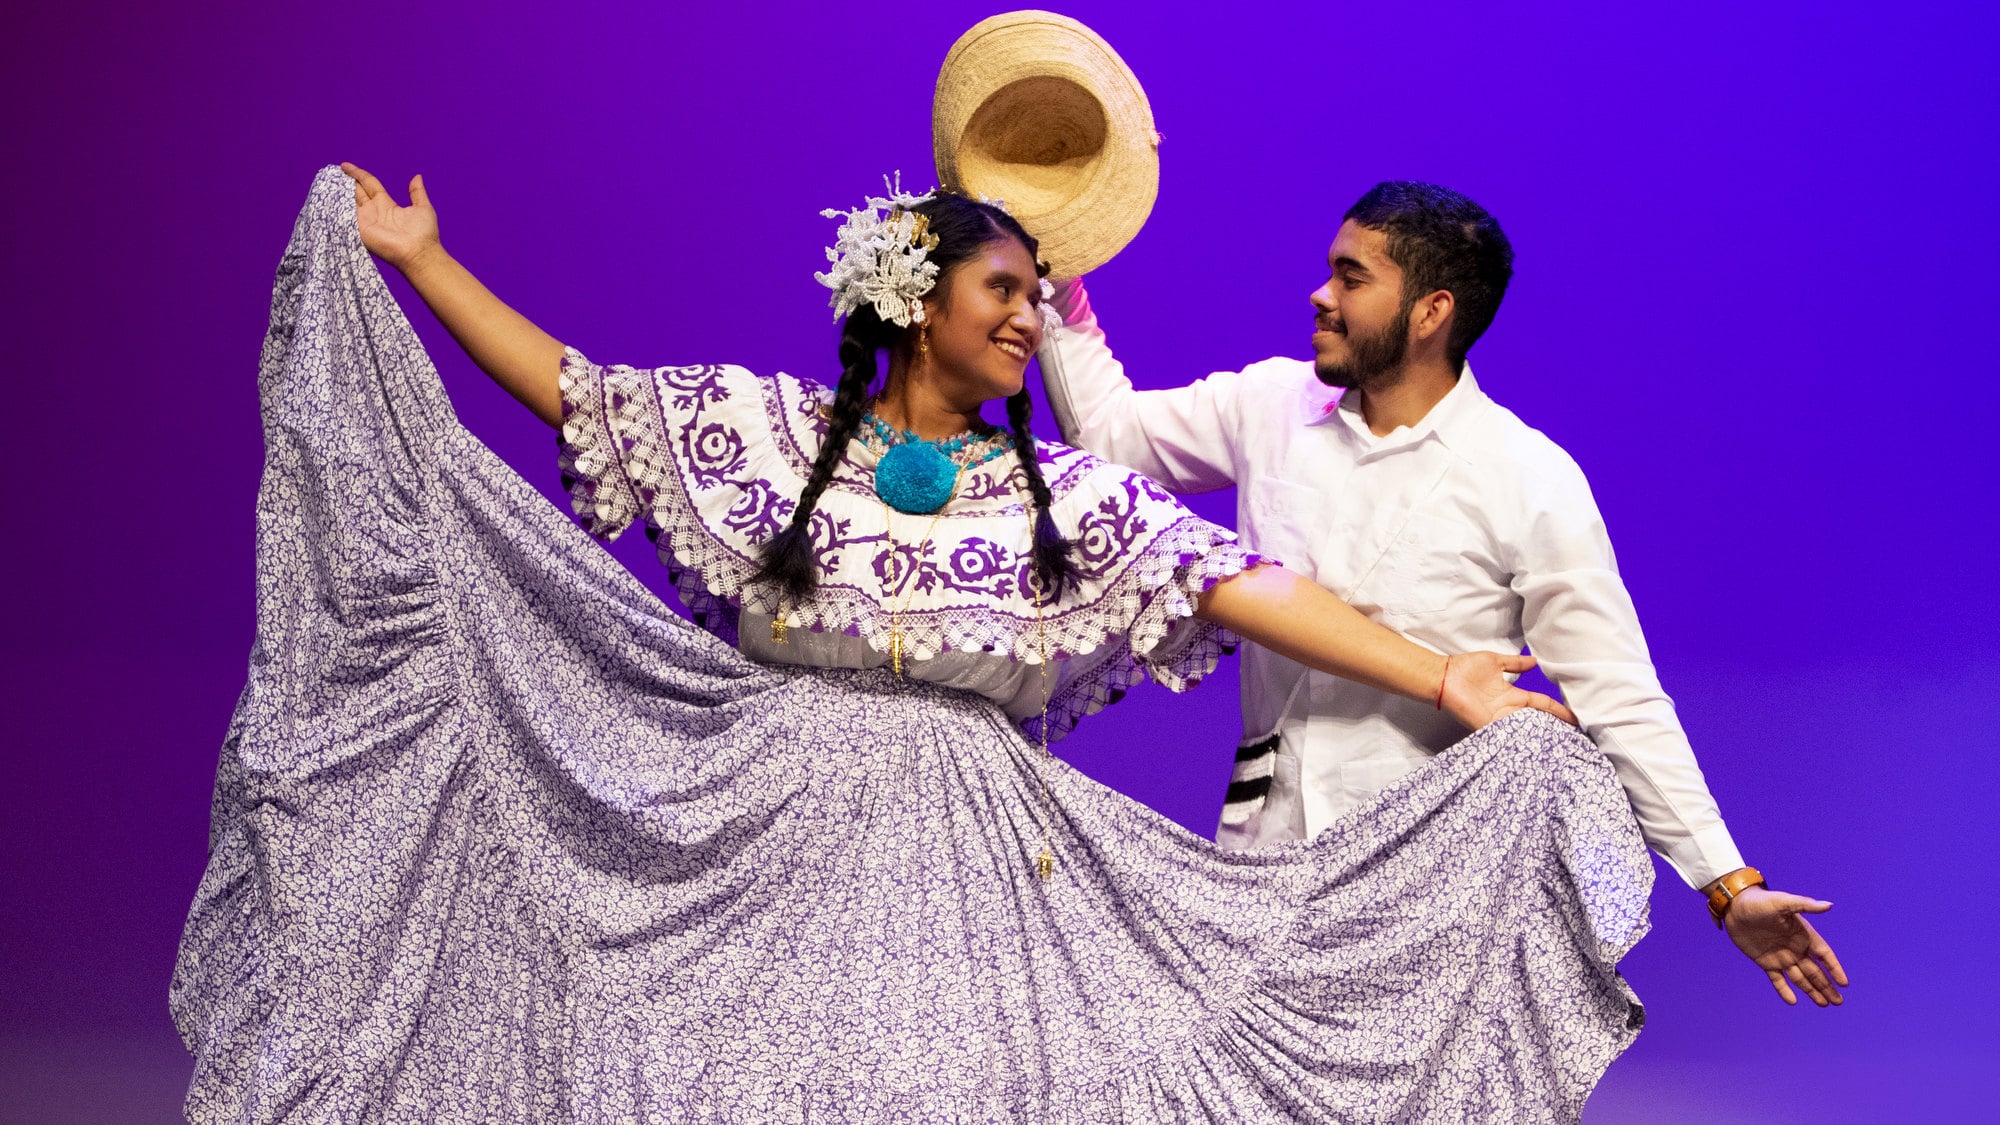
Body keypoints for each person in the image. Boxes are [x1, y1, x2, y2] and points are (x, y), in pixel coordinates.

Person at [172, 165, 1651, 1123]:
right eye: (1003, 292)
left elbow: (1242, 587)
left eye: (1029, 297)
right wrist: (426, 266)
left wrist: (1440, 673)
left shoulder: (1050, 497)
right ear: (910, 302)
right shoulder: (767, 436)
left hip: (968, 863)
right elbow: (577, 391)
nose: (1026, 319)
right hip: (761, 836)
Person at [1039, 179, 1848, 1010]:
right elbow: (1108, 440)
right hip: (1262, 853)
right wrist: (1051, 271)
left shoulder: (1529, 477)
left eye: (1352, 278)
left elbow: (1618, 694)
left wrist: (1727, 883)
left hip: (1429, 879)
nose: (1321, 294)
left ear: (1430, 312)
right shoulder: (1270, 403)